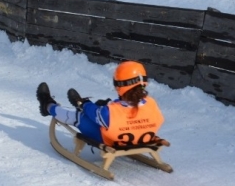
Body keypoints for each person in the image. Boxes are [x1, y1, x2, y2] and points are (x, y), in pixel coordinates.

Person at [36, 61, 165, 147]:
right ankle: (78, 104)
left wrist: (84, 104)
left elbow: (96, 113)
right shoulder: (152, 104)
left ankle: (48, 106)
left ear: (119, 86)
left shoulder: (110, 113)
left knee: (81, 117)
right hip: (141, 138)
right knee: (100, 112)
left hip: (110, 140)